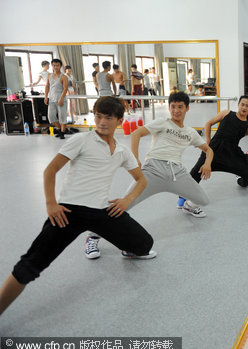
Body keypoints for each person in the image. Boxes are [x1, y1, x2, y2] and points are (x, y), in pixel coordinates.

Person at [0, 96, 156, 318]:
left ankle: (115, 243)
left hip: (101, 211)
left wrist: (126, 200)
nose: (102, 122)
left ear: (119, 120)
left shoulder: (122, 151)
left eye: (108, 117)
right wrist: (51, 203)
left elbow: (141, 180)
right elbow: (50, 171)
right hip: (68, 212)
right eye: (98, 116)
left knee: (145, 245)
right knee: (29, 266)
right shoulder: (81, 140)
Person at [84, 92, 213, 258]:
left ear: (187, 108)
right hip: (153, 170)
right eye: (173, 106)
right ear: (169, 108)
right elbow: (136, 133)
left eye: (180, 107)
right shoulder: (163, 123)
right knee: (123, 205)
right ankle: (92, 237)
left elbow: (208, 150)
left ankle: (188, 206)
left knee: (204, 200)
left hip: (177, 173)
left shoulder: (190, 132)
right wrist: (135, 159)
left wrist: (207, 162)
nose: (176, 110)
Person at [184, 96, 248, 206]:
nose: (244, 107)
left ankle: (241, 181)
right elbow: (208, 123)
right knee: (196, 172)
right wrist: (208, 140)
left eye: (247, 105)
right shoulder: (226, 113)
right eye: (242, 104)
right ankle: (183, 196)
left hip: (232, 153)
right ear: (239, 105)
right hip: (214, 148)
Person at [44, 59, 69, 139]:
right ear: (52, 66)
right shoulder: (49, 75)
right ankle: (60, 130)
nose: (55, 67)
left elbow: (65, 89)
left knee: (62, 116)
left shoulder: (64, 77)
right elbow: (47, 86)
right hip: (51, 99)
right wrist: (45, 97)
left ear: (60, 66)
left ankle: (62, 133)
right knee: (51, 116)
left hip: (61, 99)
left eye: (57, 65)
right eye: (54, 65)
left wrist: (61, 99)